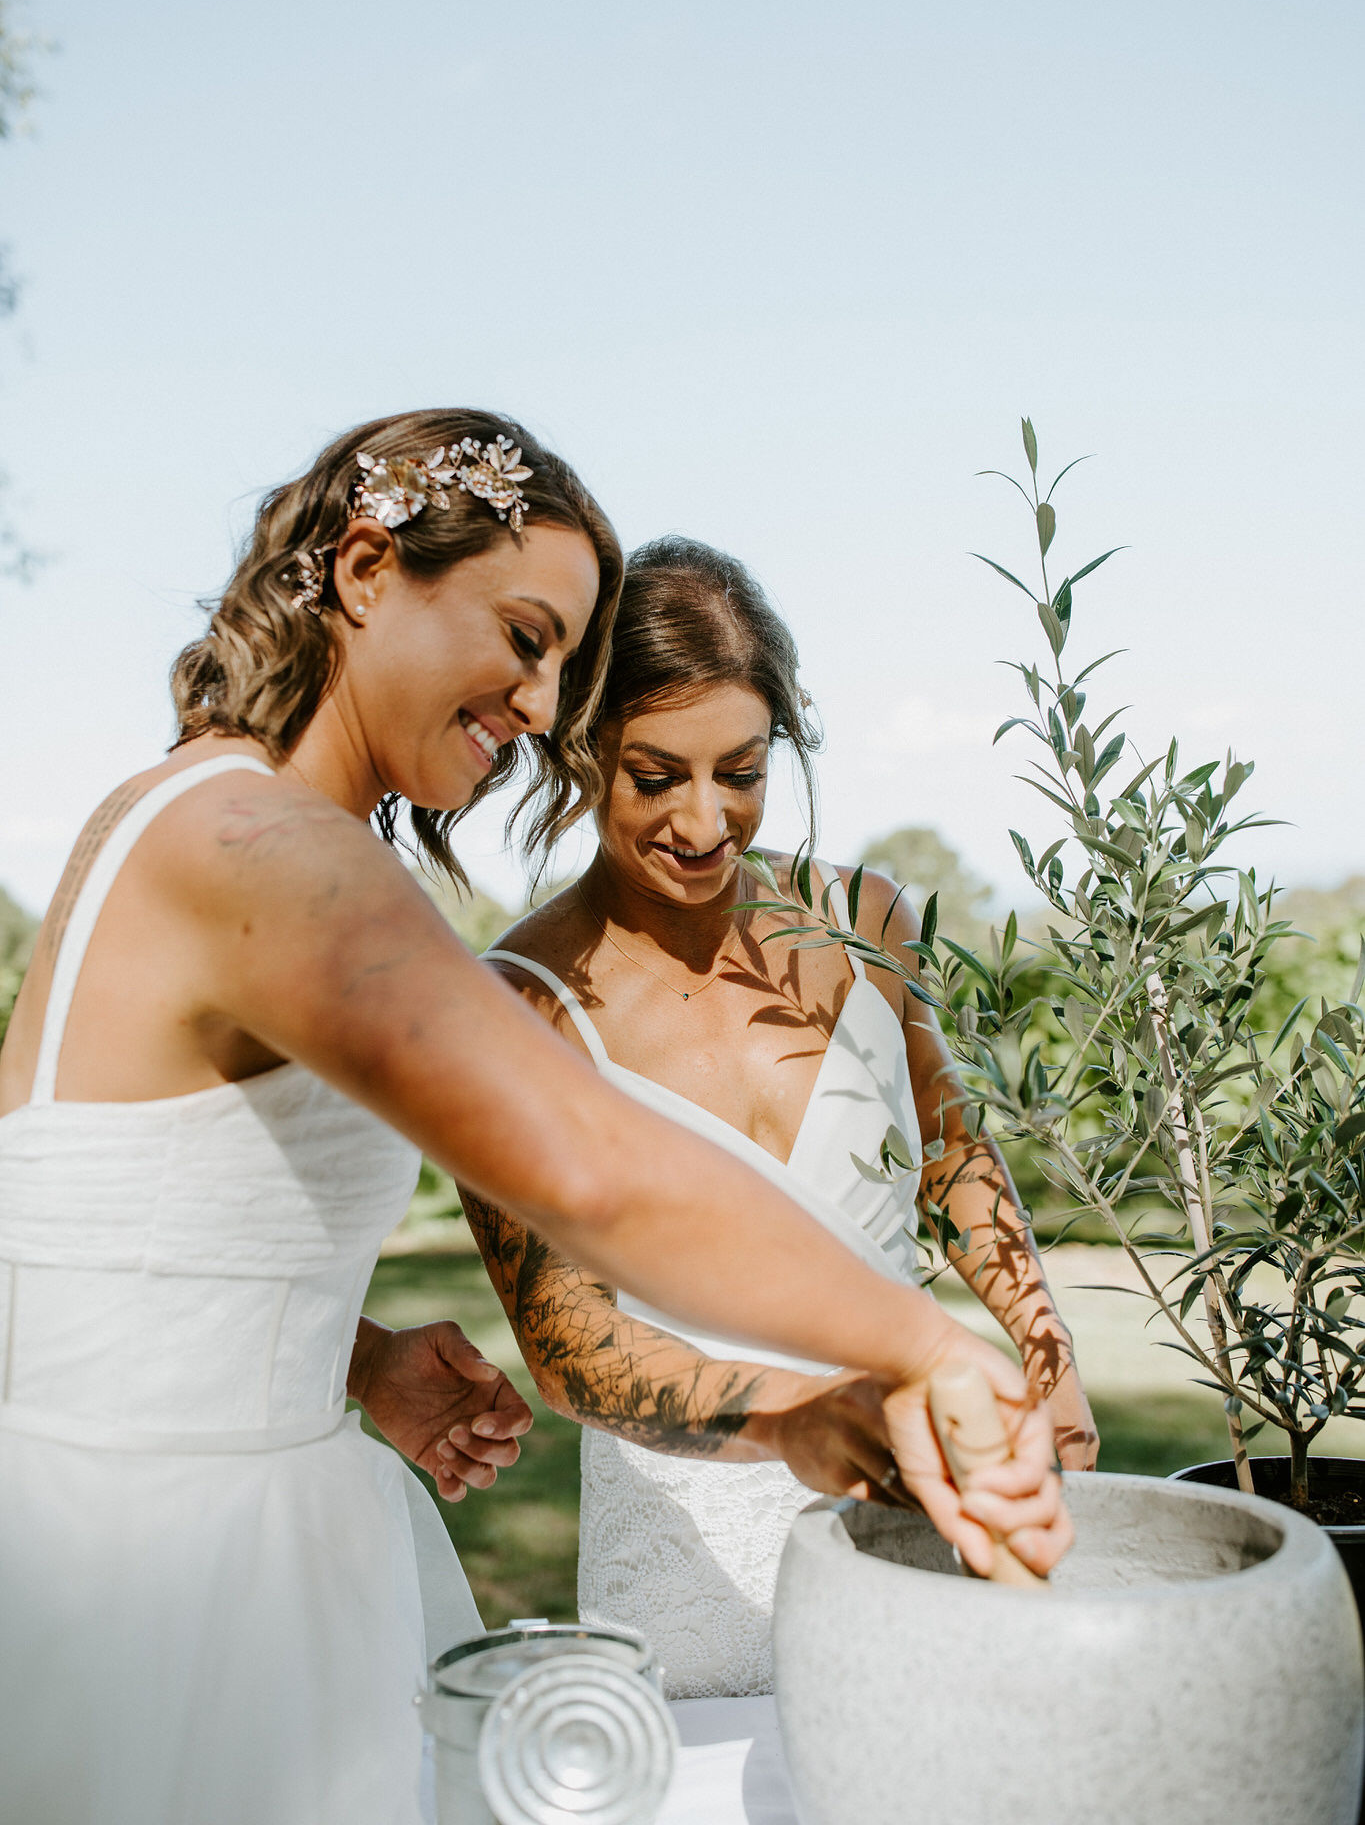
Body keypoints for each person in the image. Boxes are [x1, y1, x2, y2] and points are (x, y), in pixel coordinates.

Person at [0, 418, 1068, 1825]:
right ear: (369, 569)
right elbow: (588, 1169)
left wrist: (348, 1356)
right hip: (154, 1584)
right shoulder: (251, 845)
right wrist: (920, 1345)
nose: (539, 698)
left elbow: (76, 1227)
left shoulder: (237, 828)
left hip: (272, 1528)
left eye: (563, 658)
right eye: (523, 633)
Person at [459, 535, 1098, 1700]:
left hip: (912, 1492)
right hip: (685, 1553)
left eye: (741, 770)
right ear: (579, 750)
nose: (705, 823)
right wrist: (795, 1409)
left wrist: (1045, 1350)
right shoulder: (513, 1004)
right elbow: (567, 1342)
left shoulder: (866, 916)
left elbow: (951, 1153)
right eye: (655, 776)